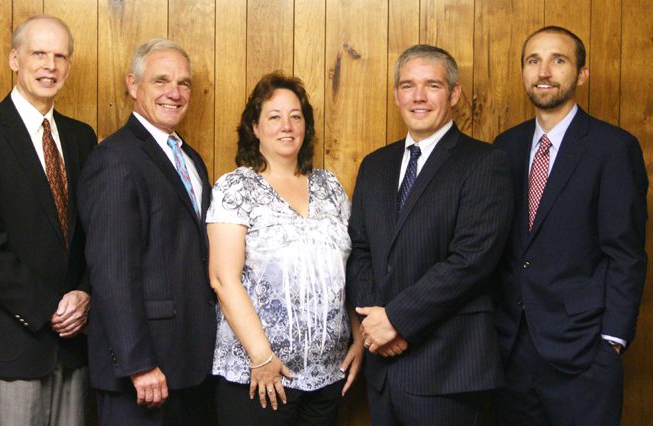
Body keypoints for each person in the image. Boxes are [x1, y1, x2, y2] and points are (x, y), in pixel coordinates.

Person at [346, 44, 514, 426]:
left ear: (454, 95)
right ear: (396, 95)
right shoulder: (375, 165)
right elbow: (360, 249)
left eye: (432, 85)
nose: (418, 97)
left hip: (447, 367)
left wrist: (398, 321)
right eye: (408, 85)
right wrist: (378, 326)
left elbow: (471, 261)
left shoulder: (485, 163)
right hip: (383, 366)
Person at [494, 26, 648, 426]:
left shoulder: (613, 149)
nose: (544, 71)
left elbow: (626, 255)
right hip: (511, 350)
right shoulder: (505, 147)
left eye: (558, 60)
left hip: (584, 354)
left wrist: (611, 342)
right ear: (523, 72)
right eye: (533, 60)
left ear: (581, 74)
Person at [0, 15, 96, 425]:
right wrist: (49, 307)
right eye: (39, 54)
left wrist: (84, 296)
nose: (50, 65)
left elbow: (93, 234)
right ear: (15, 59)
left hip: (73, 341)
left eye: (60, 56)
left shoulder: (82, 138)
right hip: (10, 339)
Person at [206, 71, 364, 426]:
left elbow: (349, 270)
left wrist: (359, 337)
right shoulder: (236, 188)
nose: (287, 126)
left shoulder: (330, 187)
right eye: (274, 117)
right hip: (260, 377)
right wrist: (262, 358)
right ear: (255, 127)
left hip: (327, 376)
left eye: (296, 116)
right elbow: (222, 279)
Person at [77, 38, 217, 425]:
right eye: (161, 81)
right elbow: (111, 271)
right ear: (134, 85)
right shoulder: (114, 160)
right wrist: (138, 364)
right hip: (142, 372)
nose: (174, 93)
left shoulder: (190, 158)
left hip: (190, 365)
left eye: (184, 83)